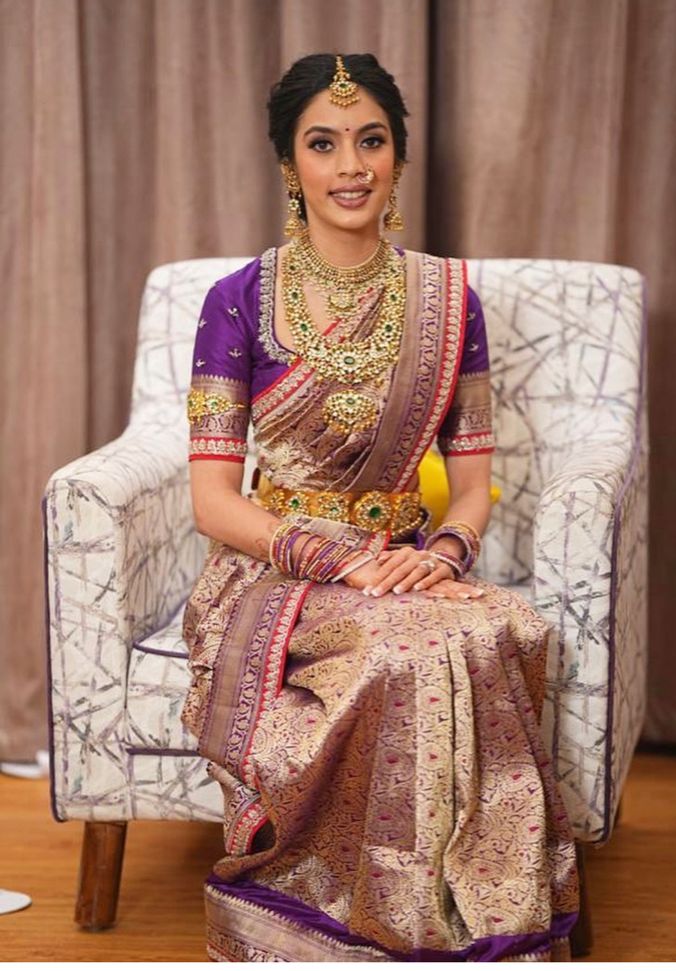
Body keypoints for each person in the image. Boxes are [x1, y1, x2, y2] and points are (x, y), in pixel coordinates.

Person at [181, 52, 579, 963]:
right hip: (277, 571)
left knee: (499, 627)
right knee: (420, 645)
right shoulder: (237, 302)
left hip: (405, 564)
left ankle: (482, 914)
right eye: (323, 144)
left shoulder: (449, 298)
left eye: (371, 141)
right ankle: (361, 918)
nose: (350, 164)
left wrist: (439, 553)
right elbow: (212, 500)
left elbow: (473, 486)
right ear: (291, 164)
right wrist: (338, 558)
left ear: (398, 157)